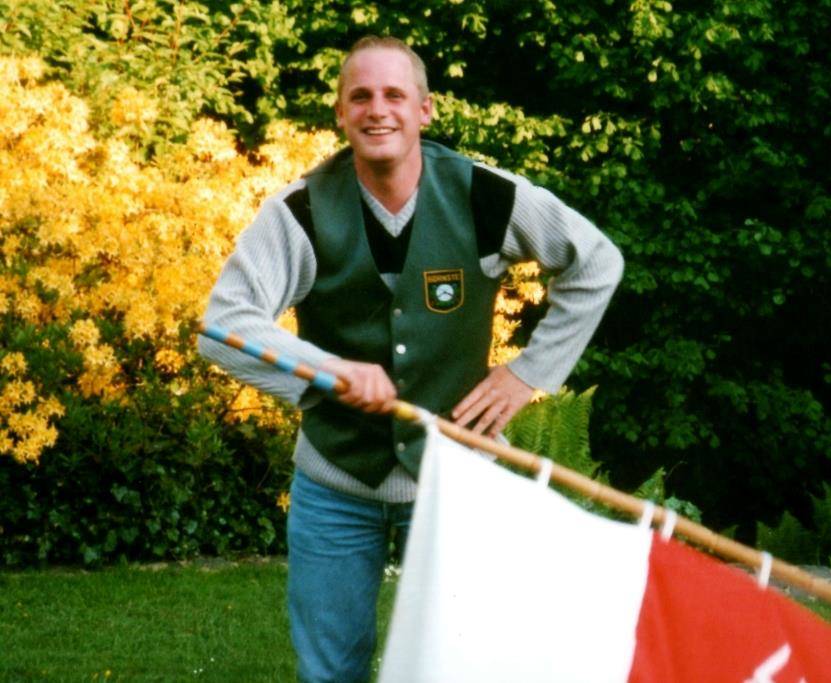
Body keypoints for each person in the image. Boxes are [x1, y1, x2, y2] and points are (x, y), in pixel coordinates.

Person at [198, 35, 623, 682]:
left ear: (425, 110)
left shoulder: (485, 197)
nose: (378, 110)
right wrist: (325, 373)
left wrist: (527, 372)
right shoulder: (301, 211)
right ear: (340, 113)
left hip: (458, 483)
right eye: (360, 96)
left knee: (460, 669)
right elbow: (223, 325)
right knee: (330, 672)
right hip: (335, 484)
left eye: (394, 95)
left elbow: (596, 261)